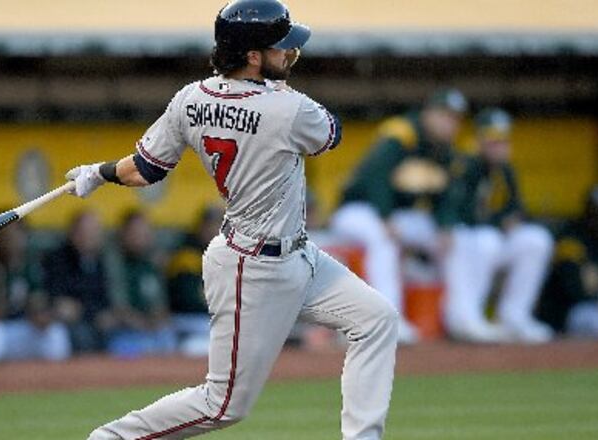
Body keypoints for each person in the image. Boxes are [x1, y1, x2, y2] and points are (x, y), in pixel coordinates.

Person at [65, 1, 398, 438]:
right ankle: (112, 438)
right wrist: (279, 96)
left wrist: (99, 172)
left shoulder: (191, 98)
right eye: (281, 48)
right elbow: (331, 132)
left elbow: (145, 170)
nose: (290, 55)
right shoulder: (287, 108)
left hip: (296, 254)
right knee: (223, 404)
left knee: (376, 319)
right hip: (253, 266)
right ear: (253, 56)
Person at [330, 87, 469, 344]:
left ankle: (463, 316)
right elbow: (375, 177)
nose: (449, 123)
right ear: (428, 113)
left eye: (454, 118)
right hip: (358, 210)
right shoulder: (402, 133)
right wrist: (384, 217)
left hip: (398, 216)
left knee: (454, 240)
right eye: (444, 115)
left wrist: (446, 226)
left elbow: (446, 197)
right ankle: (386, 320)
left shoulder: (445, 150)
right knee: (384, 240)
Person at [445, 108, 554, 343]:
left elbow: (517, 209)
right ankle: (467, 318)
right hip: (463, 242)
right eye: (493, 140)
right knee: (487, 239)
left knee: (536, 239)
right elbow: (464, 213)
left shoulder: (505, 169)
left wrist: (509, 220)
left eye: (503, 140)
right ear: (479, 139)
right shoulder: (467, 165)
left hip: (491, 240)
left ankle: (515, 316)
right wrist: (499, 221)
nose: (499, 146)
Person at [0, 213, 70, 366]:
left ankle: (48, 384)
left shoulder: (29, 264)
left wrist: (43, 315)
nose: (13, 240)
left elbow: (37, 302)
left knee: (54, 333)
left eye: (18, 233)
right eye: (6, 235)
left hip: (19, 328)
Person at [538, 184, 598, 337]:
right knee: (591, 322)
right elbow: (575, 288)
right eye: (596, 213)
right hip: (571, 310)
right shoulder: (571, 236)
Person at [104, 210, 177, 358]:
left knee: (168, 340)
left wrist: (158, 318)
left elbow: (161, 303)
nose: (139, 238)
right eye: (134, 233)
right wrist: (139, 322)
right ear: (123, 234)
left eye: (144, 233)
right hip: (122, 331)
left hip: (153, 330)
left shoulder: (153, 263)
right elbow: (118, 306)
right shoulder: (112, 262)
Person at [44, 210, 119, 352]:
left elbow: (106, 295)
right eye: (85, 232)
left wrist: (108, 313)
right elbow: (57, 295)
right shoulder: (58, 259)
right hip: (69, 322)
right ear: (73, 233)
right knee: (80, 335)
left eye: (94, 232)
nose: (90, 237)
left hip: (96, 317)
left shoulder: (102, 260)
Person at [167, 205, 224, 356]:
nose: (217, 230)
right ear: (202, 227)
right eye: (213, 225)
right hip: (188, 319)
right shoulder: (187, 256)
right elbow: (190, 300)